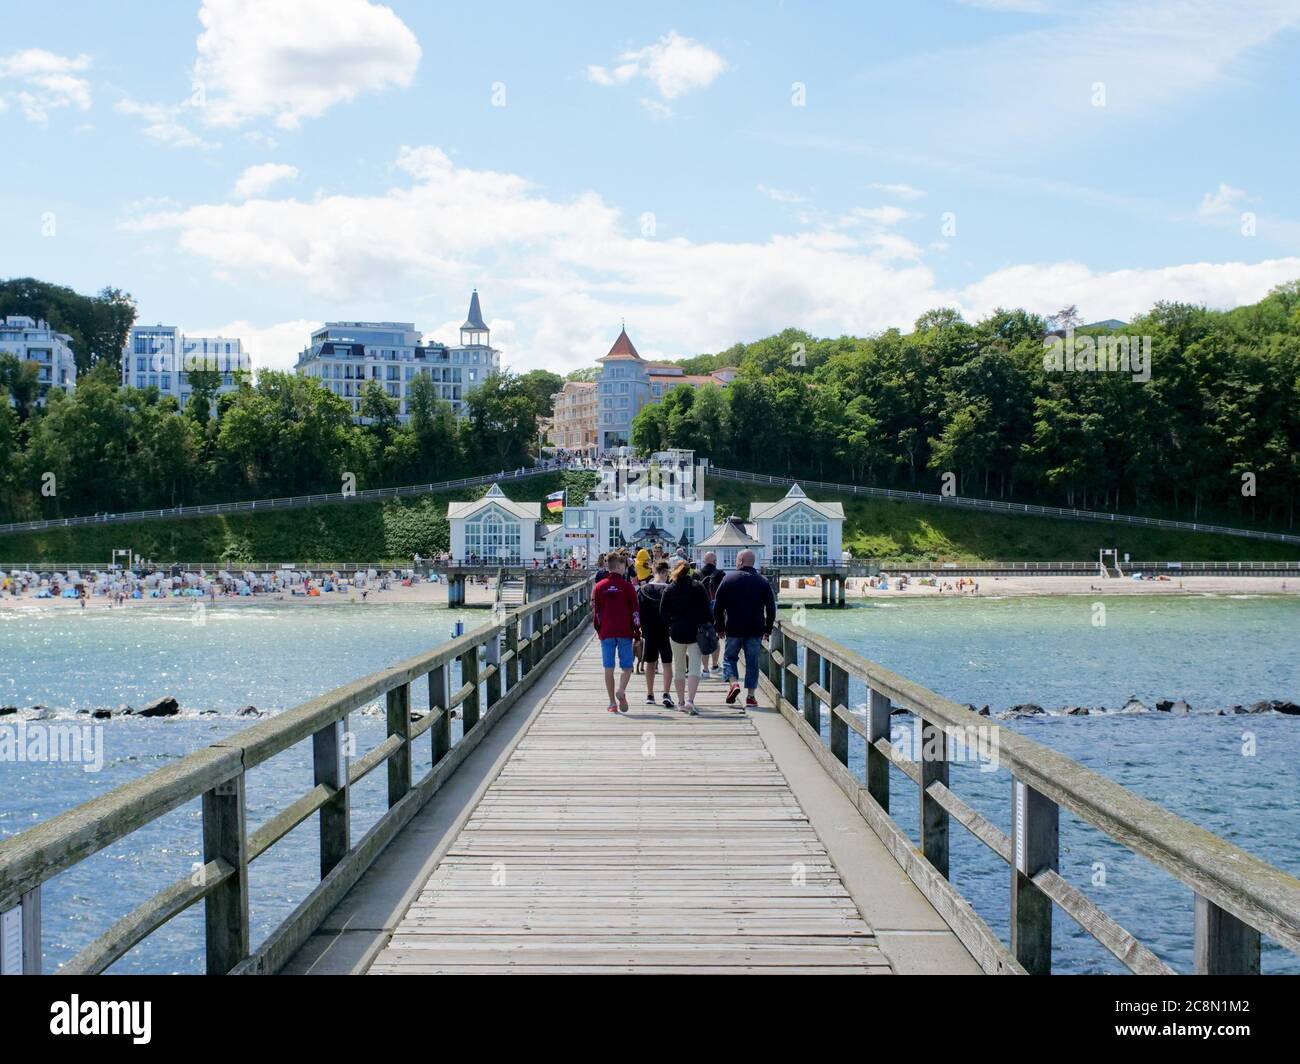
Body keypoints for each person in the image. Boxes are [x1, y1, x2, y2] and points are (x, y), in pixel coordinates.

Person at [714, 549, 777, 711]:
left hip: (734, 627)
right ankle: (751, 696)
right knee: (752, 662)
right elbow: (771, 608)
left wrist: (719, 626)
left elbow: (718, 606)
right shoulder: (762, 582)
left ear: (740, 560)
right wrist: (768, 629)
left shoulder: (728, 579)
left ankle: (734, 682)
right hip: (755, 628)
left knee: (729, 658)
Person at [660, 559, 712, 715]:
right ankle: (690, 700)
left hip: (676, 632)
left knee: (679, 668)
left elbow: (662, 614)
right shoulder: (699, 587)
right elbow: (707, 611)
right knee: (695, 668)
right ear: (689, 571)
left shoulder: (669, 589)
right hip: (695, 632)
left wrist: (670, 625)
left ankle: (681, 702)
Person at [592, 553, 639, 714]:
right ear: (619, 567)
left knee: (608, 667)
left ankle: (612, 703)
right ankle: (621, 690)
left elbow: (596, 613)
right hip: (625, 631)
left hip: (606, 632)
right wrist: (637, 634)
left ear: (607, 567)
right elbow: (635, 612)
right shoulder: (627, 587)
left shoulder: (599, 587)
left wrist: (599, 630)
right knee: (627, 667)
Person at [637, 560, 675, 708]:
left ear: (654, 572)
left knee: (650, 663)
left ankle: (650, 694)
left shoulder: (644, 589)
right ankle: (666, 693)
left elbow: (638, 612)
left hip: (649, 631)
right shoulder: (670, 589)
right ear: (665, 572)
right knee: (667, 663)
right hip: (666, 631)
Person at [697, 550, 724, 678]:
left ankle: (705, 670)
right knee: (715, 638)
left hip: (701, 612)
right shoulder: (721, 574)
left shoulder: (697, 574)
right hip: (716, 612)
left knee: (703, 640)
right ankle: (714, 666)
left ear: (704, 561)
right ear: (715, 562)